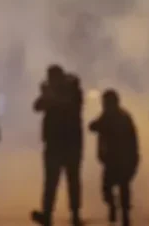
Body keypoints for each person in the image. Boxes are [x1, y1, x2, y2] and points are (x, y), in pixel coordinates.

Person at [31, 64, 84, 226]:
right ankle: (49, 214)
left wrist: (50, 96)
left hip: (69, 142)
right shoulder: (52, 92)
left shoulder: (73, 90)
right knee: (52, 181)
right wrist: (46, 95)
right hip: (56, 143)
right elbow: (37, 106)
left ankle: (74, 215)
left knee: (71, 180)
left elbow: (70, 105)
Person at [88, 90, 139, 226]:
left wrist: (134, 159)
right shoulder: (112, 116)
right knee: (111, 189)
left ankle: (124, 215)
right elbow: (94, 127)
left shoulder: (120, 117)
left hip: (120, 159)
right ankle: (116, 209)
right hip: (114, 159)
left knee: (119, 188)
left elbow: (132, 140)